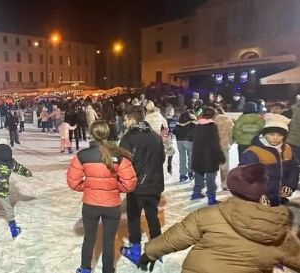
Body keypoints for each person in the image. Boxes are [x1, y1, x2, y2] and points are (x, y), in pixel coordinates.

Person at [138, 164, 300, 273]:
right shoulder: (278, 230)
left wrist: (150, 252)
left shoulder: (208, 215)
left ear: (232, 188)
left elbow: (177, 236)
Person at [67, 120, 137, 273]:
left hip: (90, 204)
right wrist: (114, 188)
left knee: (89, 238)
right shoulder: (119, 156)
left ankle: (85, 269)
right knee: (109, 241)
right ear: (107, 134)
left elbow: (73, 182)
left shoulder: (83, 155)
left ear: (91, 134)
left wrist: (89, 187)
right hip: (111, 206)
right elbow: (130, 184)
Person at [119, 105, 165, 266]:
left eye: (126, 118)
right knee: (153, 216)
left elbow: (122, 163)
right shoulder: (155, 136)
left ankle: (135, 250)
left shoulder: (128, 138)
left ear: (132, 119)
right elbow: (162, 159)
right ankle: (158, 250)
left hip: (137, 186)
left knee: (133, 217)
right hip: (155, 184)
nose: (124, 121)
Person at [240, 113, 299, 206]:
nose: (276, 138)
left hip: (280, 199)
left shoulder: (287, 149)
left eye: (280, 135)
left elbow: (293, 169)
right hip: (261, 202)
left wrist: (290, 185)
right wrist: (256, 195)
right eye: (271, 134)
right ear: (264, 134)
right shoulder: (253, 152)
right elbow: (245, 177)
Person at [191, 107, 225, 205]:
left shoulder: (197, 126)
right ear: (213, 115)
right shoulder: (212, 126)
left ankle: (196, 193)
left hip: (198, 156)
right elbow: (215, 144)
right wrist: (220, 155)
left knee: (199, 175)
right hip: (210, 157)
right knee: (210, 179)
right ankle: (211, 198)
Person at [214, 108, 234, 191]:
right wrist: (230, 142)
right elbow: (232, 134)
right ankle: (225, 184)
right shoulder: (229, 121)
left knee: (212, 165)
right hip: (224, 145)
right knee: (224, 165)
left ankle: (212, 184)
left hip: (213, 145)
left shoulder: (212, 121)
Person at [173, 111, 197, 182]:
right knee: (190, 157)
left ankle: (182, 175)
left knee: (182, 158)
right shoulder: (192, 123)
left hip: (179, 141)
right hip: (189, 141)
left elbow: (174, 132)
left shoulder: (178, 124)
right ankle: (191, 173)